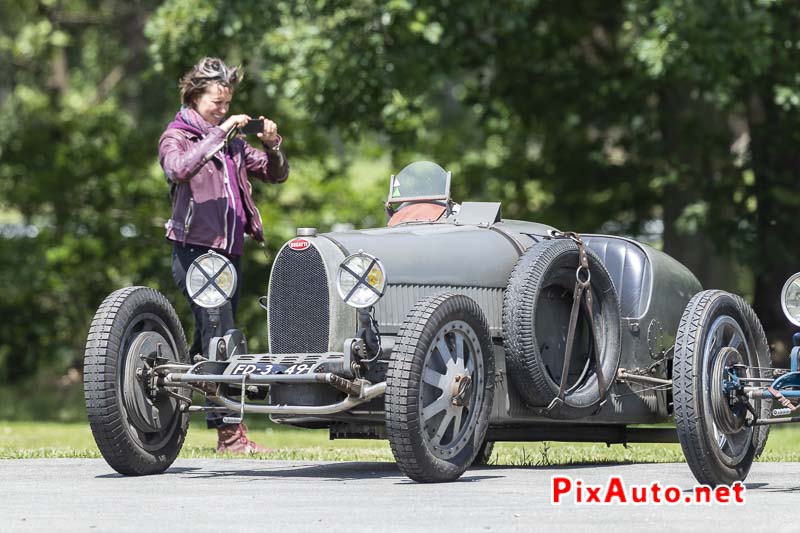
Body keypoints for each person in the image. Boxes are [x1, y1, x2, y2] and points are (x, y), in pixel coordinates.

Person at [158, 57, 289, 454]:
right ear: (195, 97)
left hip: (229, 253)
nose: (224, 110)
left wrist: (273, 145)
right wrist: (219, 134)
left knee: (208, 342)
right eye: (217, 103)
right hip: (196, 252)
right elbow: (178, 169)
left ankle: (175, 412)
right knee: (222, 340)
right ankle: (229, 436)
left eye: (227, 103)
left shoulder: (232, 141)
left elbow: (274, 173)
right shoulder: (177, 135)